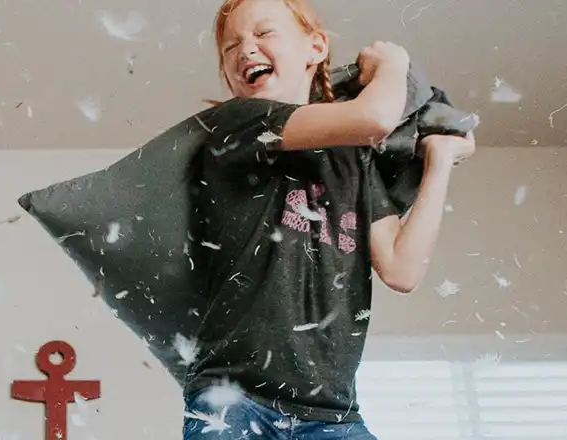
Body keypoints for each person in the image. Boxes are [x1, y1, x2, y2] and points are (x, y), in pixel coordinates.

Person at [180, 0, 476, 438]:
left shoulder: (351, 159)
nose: (246, 50)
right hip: (236, 401)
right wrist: (393, 63)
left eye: (264, 33)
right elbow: (375, 118)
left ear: (315, 47)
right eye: (231, 46)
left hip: (332, 416)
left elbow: (401, 268)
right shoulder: (235, 125)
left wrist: (440, 158)